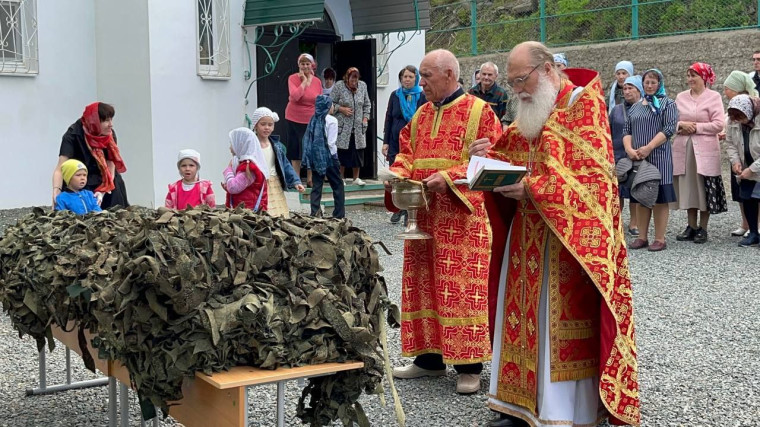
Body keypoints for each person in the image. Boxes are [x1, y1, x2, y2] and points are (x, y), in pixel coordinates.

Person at [470, 41, 639, 427]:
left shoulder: (584, 103)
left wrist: (534, 187)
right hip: (527, 233)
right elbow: (513, 150)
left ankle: (562, 413)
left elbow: (592, 180)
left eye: (520, 80)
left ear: (546, 70)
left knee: (555, 324)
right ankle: (516, 405)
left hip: (568, 243)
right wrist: (486, 154)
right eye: (511, 83)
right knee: (521, 317)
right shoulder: (533, 109)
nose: (516, 90)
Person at [385, 49, 502, 395]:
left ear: (449, 74)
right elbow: (406, 151)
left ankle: (469, 366)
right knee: (424, 286)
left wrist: (449, 177)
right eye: (419, 76)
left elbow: (493, 159)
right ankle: (429, 360)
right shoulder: (420, 115)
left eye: (426, 76)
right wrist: (398, 173)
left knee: (461, 292)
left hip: (462, 220)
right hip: (423, 216)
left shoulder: (481, 113)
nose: (421, 83)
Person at [623, 68, 679, 252]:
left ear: (659, 83)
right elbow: (627, 130)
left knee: (660, 198)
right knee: (640, 196)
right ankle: (642, 236)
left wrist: (649, 147)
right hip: (638, 159)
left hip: (659, 157)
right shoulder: (636, 106)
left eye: (653, 82)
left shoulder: (668, 104)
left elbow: (669, 129)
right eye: (646, 82)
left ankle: (660, 238)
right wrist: (630, 149)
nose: (649, 85)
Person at [671, 62, 726, 244]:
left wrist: (695, 128)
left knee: (704, 186)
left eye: (694, 75)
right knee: (689, 187)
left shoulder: (714, 97)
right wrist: (681, 126)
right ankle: (691, 225)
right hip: (685, 148)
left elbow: (719, 124)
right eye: (688, 76)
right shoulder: (680, 97)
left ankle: (703, 227)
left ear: (704, 77)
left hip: (705, 148)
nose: (690, 79)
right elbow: (672, 121)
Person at [53, 102, 128, 209]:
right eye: (106, 121)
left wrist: (103, 191)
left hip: (107, 180)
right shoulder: (73, 134)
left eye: (111, 119)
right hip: (81, 181)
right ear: (95, 122)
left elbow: (111, 166)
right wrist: (56, 190)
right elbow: (60, 168)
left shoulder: (110, 135)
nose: (111, 124)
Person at [383, 65, 426, 224]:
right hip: (395, 142)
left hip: (412, 142)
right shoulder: (395, 95)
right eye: (404, 77)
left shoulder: (422, 96)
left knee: (409, 176)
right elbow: (389, 118)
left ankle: (409, 209)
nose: (407, 80)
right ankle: (397, 207)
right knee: (395, 175)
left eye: (410, 77)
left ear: (416, 79)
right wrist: (386, 141)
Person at [721, 70, 759, 237]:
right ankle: (752, 231)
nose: (738, 121)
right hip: (744, 161)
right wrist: (736, 161)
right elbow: (730, 143)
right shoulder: (732, 118)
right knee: (746, 196)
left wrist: (753, 169)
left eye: (728, 88)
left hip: (757, 162)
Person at [250, 107, 305, 218]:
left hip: (274, 183)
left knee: (278, 214)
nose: (267, 128)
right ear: (255, 125)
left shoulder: (276, 146)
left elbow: (285, 165)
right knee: (259, 214)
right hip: (256, 184)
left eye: (270, 125)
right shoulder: (250, 145)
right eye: (263, 124)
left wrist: (296, 181)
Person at [610, 75, 644, 236]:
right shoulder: (616, 109)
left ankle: (634, 223)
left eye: (631, 88)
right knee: (617, 191)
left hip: (638, 154)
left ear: (639, 90)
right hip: (617, 154)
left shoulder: (646, 107)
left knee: (634, 190)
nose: (627, 91)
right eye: (625, 88)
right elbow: (608, 130)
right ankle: (615, 221)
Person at [303, 95, 345, 218]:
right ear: (327, 106)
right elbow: (331, 143)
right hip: (329, 157)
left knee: (317, 185)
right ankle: (338, 213)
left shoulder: (313, 119)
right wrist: (334, 157)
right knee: (337, 185)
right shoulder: (332, 120)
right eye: (331, 104)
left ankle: (315, 212)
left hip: (316, 157)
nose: (332, 106)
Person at [285, 53, 322, 186]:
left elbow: (319, 99)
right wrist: (304, 82)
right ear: (299, 65)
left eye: (307, 64)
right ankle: (296, 178)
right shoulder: (293, 78)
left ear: (312, 65)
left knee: (310, 148)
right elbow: (295, 96)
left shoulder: (317, 81)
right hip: (294, 117)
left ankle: (310, 178)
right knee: (295, 148)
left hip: (311, 118)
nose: (305, 66)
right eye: (302, 63)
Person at [330, 67, 371, 186]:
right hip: (343, 126)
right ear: (347, 77)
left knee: (358, 152)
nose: (354, 81)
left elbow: (367, 104)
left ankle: (356, 178)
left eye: (356, 78)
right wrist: (341, 109)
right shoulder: (339, 86)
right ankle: (341, 178)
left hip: (358, 126)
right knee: (342, 151)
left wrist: (365, 118)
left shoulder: (362, 86)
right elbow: (330, 102)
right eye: (352, 78)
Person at [222, 128, 268, 211]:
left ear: (241, 144)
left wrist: (228, 170)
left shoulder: (248, 167)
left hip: (248, 217)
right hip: (244, 214)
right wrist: (227, 187)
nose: (230, 148)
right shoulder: (245, 164)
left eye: (232, 144)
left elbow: (233, 187)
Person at [469, 62, 513, 131]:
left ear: (496, 76)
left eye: (489, 75)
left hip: (494, 133)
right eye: (484, 74)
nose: (486, 77)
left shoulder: (501, 94)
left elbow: (504, 119)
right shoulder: (471, 92)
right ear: (480, 74)